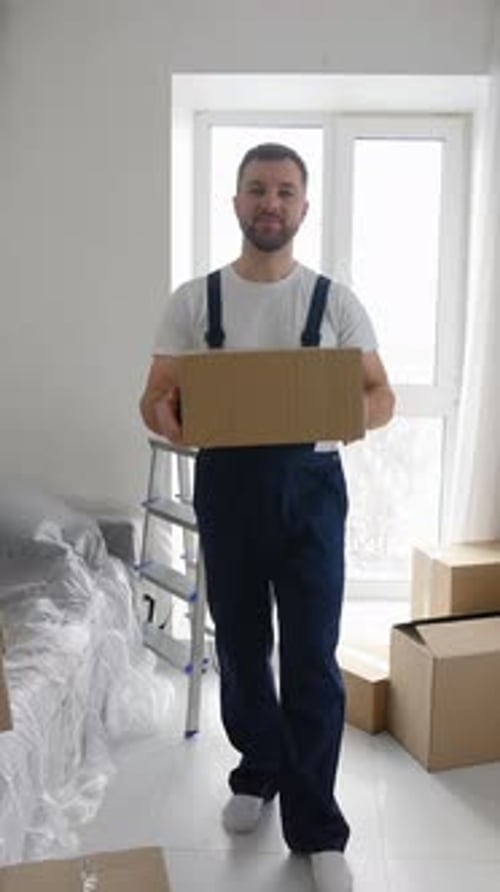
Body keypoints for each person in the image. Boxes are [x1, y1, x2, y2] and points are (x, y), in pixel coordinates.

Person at [140, 143, 395, 892]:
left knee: (312, 657)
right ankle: (257, 770)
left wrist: (347, 414)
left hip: (311, 493)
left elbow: (381, 396)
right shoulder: (195, 301)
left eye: (285, 191)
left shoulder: (334, 302)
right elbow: (153, 397)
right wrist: (168, 416)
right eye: (257, 190)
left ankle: (317, 824)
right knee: (243, 647)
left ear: (303, 208)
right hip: (229, 486)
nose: (270, 204)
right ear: (236, 203)